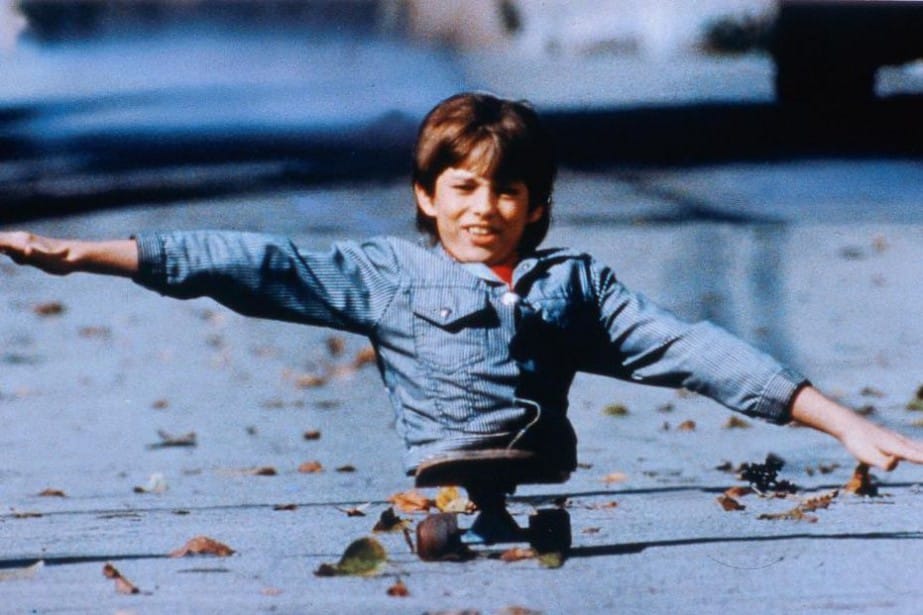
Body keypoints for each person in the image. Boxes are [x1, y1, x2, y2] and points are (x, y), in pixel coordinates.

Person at [2, 92, 922, 478]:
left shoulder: (573, 285)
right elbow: (250, 262)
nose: (485, 209)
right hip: (443, 451)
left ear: (536, 204)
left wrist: (842, 420)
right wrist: (85, 253)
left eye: (507, 191)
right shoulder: (387, 276)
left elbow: (687, 349)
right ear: (426, 195)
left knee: (673, 348)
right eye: (464, 188)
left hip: (538, 450)